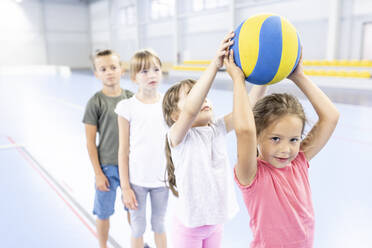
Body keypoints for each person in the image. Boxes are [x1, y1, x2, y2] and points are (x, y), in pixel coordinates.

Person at [225, 48, 340, 247]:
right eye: (276, 139)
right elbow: (244, 130)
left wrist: (299, 76)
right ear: (258, 135)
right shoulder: (252, 174)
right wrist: (238, 80)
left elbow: (331, 116)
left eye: (294, 140)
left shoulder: (299, 162)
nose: (286, 149)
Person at [162, 32, 266, 248]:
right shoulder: (178, 136)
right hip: (188, 228)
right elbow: (190, 111)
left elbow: (248, 106)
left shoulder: (216, 128)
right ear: (174, 116)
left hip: (215, 223)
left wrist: (265, 75)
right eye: (195, 96)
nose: (204, 99)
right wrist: (214, 65)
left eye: (205, 96)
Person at [116, 49, 169, 248]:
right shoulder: (126, 107)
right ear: (134, 77)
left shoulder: (168, 103)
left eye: (156, 69)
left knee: (160, 224)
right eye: (144, 71)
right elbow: (123, 151)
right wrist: (126, 187)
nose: (152, 75)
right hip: (136, 181)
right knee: (138, 227)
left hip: (162, 180)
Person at [83, 49, 134, 248]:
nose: (109, 72)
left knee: (133, 209)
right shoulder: (95, 102)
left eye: (113, 67)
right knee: (103, 212)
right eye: (103, 69)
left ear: (121, 70)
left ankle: (136, 242)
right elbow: (89, 142)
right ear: (97, 74)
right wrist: (98, 173)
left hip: (130, 167)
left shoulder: (131, 98)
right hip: (107, 167)